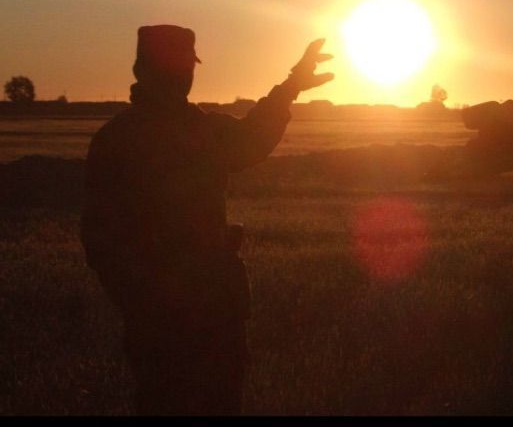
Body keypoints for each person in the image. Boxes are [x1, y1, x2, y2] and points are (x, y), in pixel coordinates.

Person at [81, 25, 333, 415]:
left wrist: (290, 86)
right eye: (179, 65)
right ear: (146, 70)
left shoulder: (122, 137)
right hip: (182, 317)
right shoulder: (170, 135)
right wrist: (144, 301)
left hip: (200, 315)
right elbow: (101, 239)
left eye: (187, 66)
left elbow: (250, 137)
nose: (185, 74)